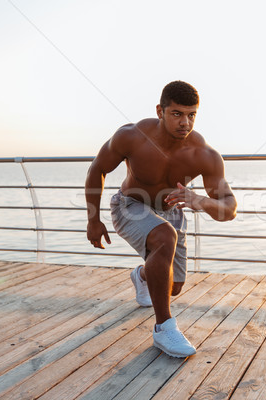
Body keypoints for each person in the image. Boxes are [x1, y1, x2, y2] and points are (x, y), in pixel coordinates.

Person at [85, 81, 237, 358]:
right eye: (177, 114)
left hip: (171, 211)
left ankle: (141, 276)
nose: (185, 122)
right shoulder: (131, 136)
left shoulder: (204, 154)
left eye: (191, 115)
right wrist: (93, 219)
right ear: (160, 111)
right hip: (130, 204)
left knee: (173, 287)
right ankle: (163, 328)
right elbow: (97, 169)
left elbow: (230, 209)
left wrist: (201, 200)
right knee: (165, 236)